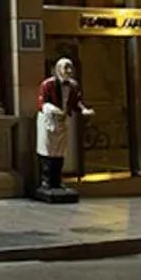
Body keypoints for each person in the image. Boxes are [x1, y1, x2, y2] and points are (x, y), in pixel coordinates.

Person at [35, 56, 92, 193]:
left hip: (62, 121)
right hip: (48, 120)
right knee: (47, 150)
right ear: (58, 69)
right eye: (65, 67)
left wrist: (84, 110)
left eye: (70, 67)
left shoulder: (73, 85)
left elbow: (76, 102)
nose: (68, 70)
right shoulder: (48, 84)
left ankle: (57, 180)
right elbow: (42, 102)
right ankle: (46, 180)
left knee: (60, 151)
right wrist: (53, 110)